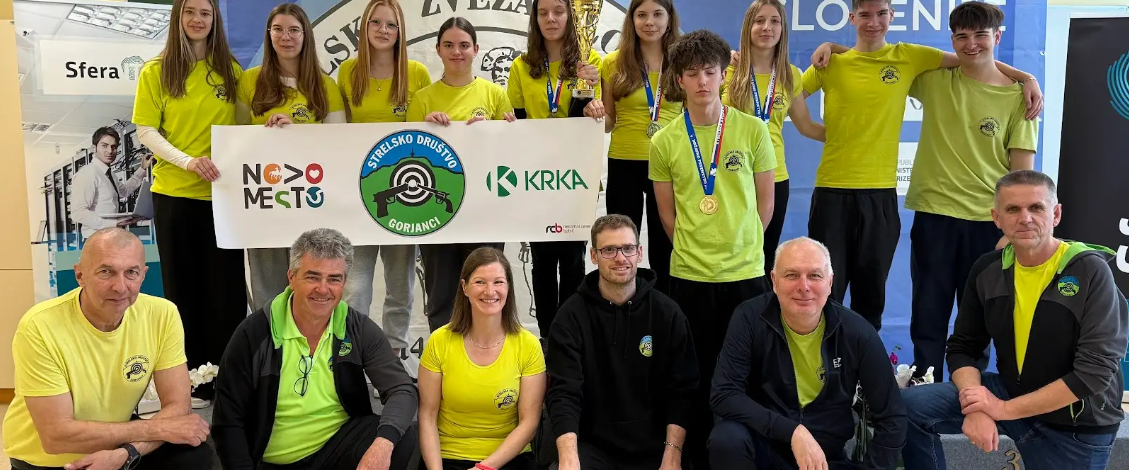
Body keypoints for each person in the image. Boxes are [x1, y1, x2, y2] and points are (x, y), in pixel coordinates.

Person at [800, 0, 1043, 332]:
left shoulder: (909, 57)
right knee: (828, 293)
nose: (874, 22)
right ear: (852, 17)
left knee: (873, 298)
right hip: (841, 193)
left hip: (892, 198)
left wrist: (1026, 76)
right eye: (865, 15)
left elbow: (974, 60)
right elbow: (791, 93)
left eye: (881, 14)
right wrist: (816, 127)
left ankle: (864, 362)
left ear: (892, 16)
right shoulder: (833, 63)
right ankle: (826, 361)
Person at [901, 170, 1128, 470]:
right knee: (908, 407)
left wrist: (1000, 409)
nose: (1025, 218)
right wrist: (975, 404)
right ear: (996, 218)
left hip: (1074, 424)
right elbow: (963, 348)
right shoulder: (987, 269)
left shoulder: (1090, 271)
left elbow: (1093, 374)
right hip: (1011, 393)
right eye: (1012, 209)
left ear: (1056, 214)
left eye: (1036, 207)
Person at [648, 29, 776, 470]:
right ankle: (697, 457)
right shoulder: (664, 140)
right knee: (695, 372)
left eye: (709, 71)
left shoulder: (753, 129)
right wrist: (696, 248)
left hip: (746, 273)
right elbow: (666, 215)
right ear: (678, 79)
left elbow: (765, 204)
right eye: (691, 73)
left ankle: (750, 453)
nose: (701, 81)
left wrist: (743, 242)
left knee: (749, 370)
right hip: (690, 275)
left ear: (724, 75)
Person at [3, 228, 215, 470]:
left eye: (131, 272)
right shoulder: (39, 326)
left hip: (116, 448)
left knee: (197, 456)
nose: (120, 287)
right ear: (80, 275)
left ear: (143, 275)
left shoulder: (162, 313)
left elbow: (178, 407)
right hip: (50, 461)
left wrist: (127, 453)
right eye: (106, 272)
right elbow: (56, 436)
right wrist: (156, 428)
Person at [905, 2, 1039, 381]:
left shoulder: (1021, 99)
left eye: (981, 35)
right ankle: (924, 382)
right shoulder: (935, 81)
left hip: (987, 223)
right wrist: (832, 48)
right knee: (927, 310)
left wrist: (1010, 228)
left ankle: (970, 390)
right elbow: (879, 60)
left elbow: (1022, 176)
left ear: (998, 36)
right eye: (961, 37)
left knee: (978, 314)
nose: (971, 44)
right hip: (934, 215)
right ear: (952, 40)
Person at [212, 228, 419, 470]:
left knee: (400, 436)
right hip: (273, 461)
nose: (323, 289)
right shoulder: (253, 333)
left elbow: (402, 389)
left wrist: (383, 444)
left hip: (336, 450)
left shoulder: (357, 327)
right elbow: (227, 420)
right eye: (312, 277)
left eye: (334, 279)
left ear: (344, 282)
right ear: (291, 277)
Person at [131, 0, 246, 407]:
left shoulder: (230, 71)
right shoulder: (156, 71)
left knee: (226, 291)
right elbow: (146, 130)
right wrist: (187, 161)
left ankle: (229, 377)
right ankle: (193, 378)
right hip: (175, 195)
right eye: (190, 12)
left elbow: (244, 127)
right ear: (177, 17)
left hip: (223, 199)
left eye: (206, 13)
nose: (198, 20)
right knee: (183, 291)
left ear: (215, 21)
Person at [709, 237, 906, 470]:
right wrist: (792, 431)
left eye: (814, 275)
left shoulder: (858, 333)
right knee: (727, 439)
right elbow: (724, 394)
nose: (804, 286)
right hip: (765, 452)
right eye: (792, 275)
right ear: (774, 281)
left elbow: (892, 416)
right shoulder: (749, 318)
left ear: (830, 282)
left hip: (825, 460)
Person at [547, 214, 698, 470]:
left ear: (639, 253)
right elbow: (564, 394)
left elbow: (683, 391)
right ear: (593, 256)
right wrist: (569, 458)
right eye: (609, 250)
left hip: (658, 449)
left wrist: (672, 456)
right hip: (594, 450)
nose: (620, 258)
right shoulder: (570, 317)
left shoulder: (667, 313)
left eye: (627, 248)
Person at [407, 17, 516, 332]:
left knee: (487, 290)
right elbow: (407, 156)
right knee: (441, 295)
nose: (457, 52)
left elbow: (510, 156)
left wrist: (503, 131)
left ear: (476, 50)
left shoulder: (495, 95)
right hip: (435, 211)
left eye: (464, 45)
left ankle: (489, 353)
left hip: (485, 210)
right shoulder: (423, 99)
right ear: (438, 50)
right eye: (449, 45)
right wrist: (424, 130)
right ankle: (443, 356)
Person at [238, 3, 347, 311]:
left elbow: (340, 145)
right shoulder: (249, 81)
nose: (286, 37)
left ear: (305, 35)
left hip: (310, 203)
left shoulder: (325, 86)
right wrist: (266, 135)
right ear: (269, 35)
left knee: (311, 283)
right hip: (265, 203)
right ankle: (269, 341)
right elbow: (236, 139)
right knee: (267, 289)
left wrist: (297, 134)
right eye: (278, 30)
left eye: (294, 30)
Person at [336, 0, 429, 356]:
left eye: (391, 24)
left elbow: (426, 134)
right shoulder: (348, 72)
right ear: (365, 27)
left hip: (405, 197)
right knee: (355, 287)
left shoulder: (417, 73)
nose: (383, 30)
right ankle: (353, 358)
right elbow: (334, 129)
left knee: (400, 288)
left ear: (400, 31)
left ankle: (394, 358)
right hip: (360, 194)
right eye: (376, 22)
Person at [507, 0, 605, 338]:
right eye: (543, 12)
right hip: (537, 177)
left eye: (559, 11)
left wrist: (589, 99)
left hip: (575, 176)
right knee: (543, 261)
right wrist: (506, 122)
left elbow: (586, 120)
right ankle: (548, 337)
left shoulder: (591, 62)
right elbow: (519, 121)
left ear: (571, 16)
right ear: (535, 18)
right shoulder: (521, 67)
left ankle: (572, 337)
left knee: (574, 261)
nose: (551, 19)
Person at [418, 247, 547, 470]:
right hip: (447, 458)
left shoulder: (528, 345)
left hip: (508, 458)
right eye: (480, 282)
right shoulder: (439, 341)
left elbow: (529, 423)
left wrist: (483, 468)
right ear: (464, 287)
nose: (490, 291)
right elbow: (427, 416)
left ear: (508, 287)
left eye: (498, 282)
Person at [721, 0, 825, 271]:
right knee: (730, 253)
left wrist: (849, 139)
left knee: (765, 256)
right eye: (759, 21)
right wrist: (725, 65)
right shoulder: (727, 70)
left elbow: (806, 126)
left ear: (783, 29)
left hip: (775, 177)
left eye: (774, 21)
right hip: (732, 174)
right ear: (748, 27)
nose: (767, 27)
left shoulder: (790, 75)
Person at [601, 0, 683, 295]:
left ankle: (666, 311)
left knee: (666, 246)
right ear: (631, 20)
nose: (650, 22)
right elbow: (608, 122)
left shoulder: (683, 62)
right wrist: (591, 112)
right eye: (642, 15)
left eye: (658, 14)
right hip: (624, 161)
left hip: (669, 164)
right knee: (621, 245)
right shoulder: (613, 63)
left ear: (669, 19)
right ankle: (623, 307)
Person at [70, 126, 150, 239]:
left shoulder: (109, 174)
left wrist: (142, 169)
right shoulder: (88, 173)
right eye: (104, 146)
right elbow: (78, 213)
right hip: (96, 239)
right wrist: (113, 223)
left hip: (110, 237)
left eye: (114, 147)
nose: (110, 151)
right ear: (94, 148)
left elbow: (124, 191)